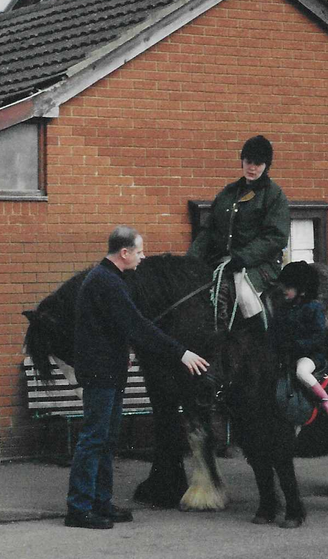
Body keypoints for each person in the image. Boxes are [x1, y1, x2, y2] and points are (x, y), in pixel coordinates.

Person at [66, 226, 211, 530]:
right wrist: (180, 353)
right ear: (125, 253)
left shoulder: (109, 279)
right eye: (140, 251)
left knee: (105, 441)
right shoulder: (107, 283)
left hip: (108, 373)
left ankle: (100, 502)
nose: (143, 257)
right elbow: (137, 327)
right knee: (94, 440)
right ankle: (79, 508)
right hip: (100, 374)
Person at [187, 135, 290, 329]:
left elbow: (275, 237)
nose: (251, 168)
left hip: (260, 264)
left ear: (266, 165)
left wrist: (243, 258)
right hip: (224, 262)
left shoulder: (274, 195)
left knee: (242, 292)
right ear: (242, 161)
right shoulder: (228, 193)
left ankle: (262, 337)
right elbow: (209, 230)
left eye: (257, 163)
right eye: (248, 162)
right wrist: (190, 260)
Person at [270, 261, 328, 417]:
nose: (283, 290)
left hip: (309, 356)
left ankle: (326, 401)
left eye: (287, 287)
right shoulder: (283, 309)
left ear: (302, 290)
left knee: (301, 372)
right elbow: (275, 331)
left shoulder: (313, 309)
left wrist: (296, 345)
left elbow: (318, 336)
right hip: (287, 356)